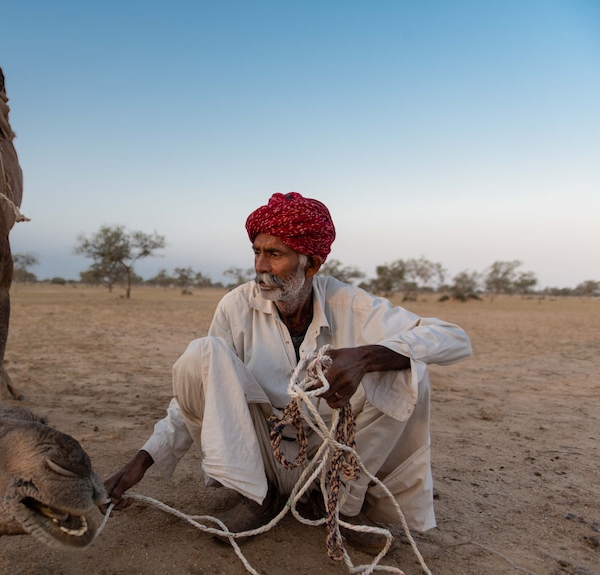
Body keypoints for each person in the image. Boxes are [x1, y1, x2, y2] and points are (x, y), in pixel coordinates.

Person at [103, 192, 472, 552]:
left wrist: (366, 357)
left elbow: (453, 338)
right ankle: (255, 497)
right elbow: (202, 386)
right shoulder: (236, 306)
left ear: (310, 264)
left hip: (329, 456)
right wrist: (142, 460)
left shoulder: (350, 304)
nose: (261, 266)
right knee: (203, 352)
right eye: (257, 252)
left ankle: (341, 509)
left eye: (275, 254)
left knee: (407, 369)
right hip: (264, 450)